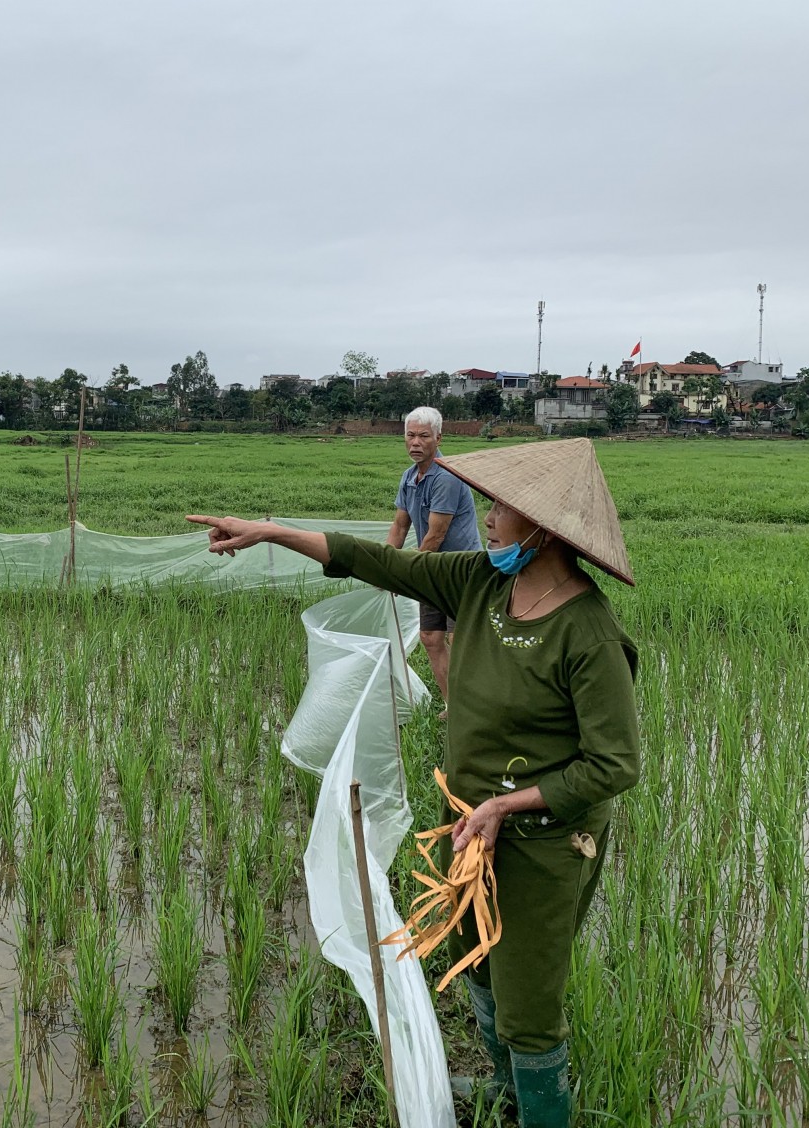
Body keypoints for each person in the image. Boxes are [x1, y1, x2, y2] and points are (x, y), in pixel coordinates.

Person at [188, 437, 639, 1128]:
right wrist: (271, 532)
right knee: (475, 962)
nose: (485, 518)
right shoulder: (483, 582)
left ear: (544, 530)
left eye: (499, 509)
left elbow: (614, 765)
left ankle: (543, 1111)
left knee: (527, 996)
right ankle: (503, 1087)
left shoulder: (587, 631)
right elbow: (384, 561)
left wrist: (507, 804)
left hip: (546, 839)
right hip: (472, 823)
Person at [388, 407, 482, 710]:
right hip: (431, 569)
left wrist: (404, 571)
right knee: (430, 636)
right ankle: (452, 705)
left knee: (460, 640)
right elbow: (401, 524)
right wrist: (386, 564)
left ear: (438, 437)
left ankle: (475, 707)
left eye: (423, 436)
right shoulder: (409, 477)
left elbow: (435, 536)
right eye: (410, 435)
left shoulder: (447, 476)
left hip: (459, 569)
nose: (415, 442)